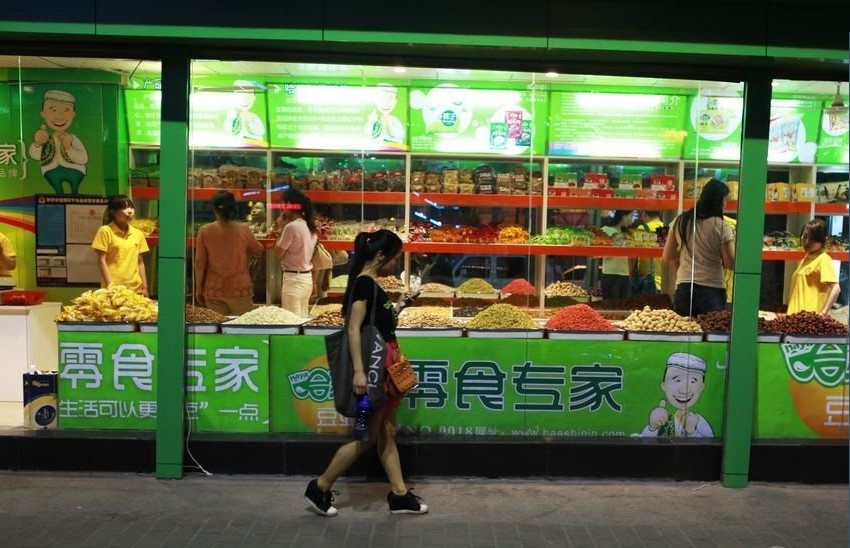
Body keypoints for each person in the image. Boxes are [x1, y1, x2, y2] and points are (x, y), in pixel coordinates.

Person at [304, 229, 428, 517]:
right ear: (381, 255)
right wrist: (360, 373)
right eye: (395, 257)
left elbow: (381, 323)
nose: (396, 263)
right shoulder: (363, 284)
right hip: (371, 376)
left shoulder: (372, 284)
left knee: (386, 431)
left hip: (384, 372)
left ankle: (399, 494)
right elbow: (353, 328)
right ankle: (320, 486)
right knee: (364, 434)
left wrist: (400, 304)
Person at [662, 179, 735, 317]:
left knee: (684, 332)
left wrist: (688, 251)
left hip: (684, 287)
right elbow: (729, 262)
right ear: (719, 201)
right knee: (710, 334)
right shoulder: (721, 225)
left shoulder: (681, 221)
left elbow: (667, 256)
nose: (725, 204)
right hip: (712, 289)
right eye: (725, 200)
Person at [194, 191, 264, 315]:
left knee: (217, 329)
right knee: (242, 330)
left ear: (215, 209)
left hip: (214, 289)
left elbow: (200, 263)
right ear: (233, 209)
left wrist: (199, 288)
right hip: (241, 289)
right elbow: (258, 250)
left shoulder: (205, 231)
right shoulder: (243, 229)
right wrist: (246, 258)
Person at [29, 90, 89, 194]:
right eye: (53, 110)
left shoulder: (72, 138)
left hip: (75, 170)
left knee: (74, 192)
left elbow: (83, 158)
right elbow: (35, 156)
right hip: (51, 170)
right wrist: (37, 144)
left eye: (66, 110)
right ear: (43, 114)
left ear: (73, 114)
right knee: (58, 193)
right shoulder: (46, 137)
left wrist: (69, 148)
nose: (59, 116)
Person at [641, 352, 713, 438]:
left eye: (693, 381)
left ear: (701, 387)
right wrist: (652, 427)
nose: (684, 391)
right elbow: (645, 442)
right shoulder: (663, 418)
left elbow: (708, 446)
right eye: (677, 380)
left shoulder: (699, 421)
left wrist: (692, 432)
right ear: (663, 385)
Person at [91, 195, 150, 296]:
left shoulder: (138, 233)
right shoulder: (105, 231)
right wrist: (110, 287)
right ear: (112, 212)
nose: (129, 211)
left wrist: (145, 287)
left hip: (135, 289)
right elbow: (101, 261)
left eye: (131, 207)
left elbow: (140, 262)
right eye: (124, 208)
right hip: (113, 290)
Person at [275, 188, 317, 317]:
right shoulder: (310, 226)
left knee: (291, 321)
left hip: (293, 279)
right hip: (306, 278)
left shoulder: (291, 227)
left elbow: (278, 253)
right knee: (303, 319)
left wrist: (280, 228)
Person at [786, 218, 840, 315]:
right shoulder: (806, 259)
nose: (807, 241)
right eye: (805, 236)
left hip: (810, 320)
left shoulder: (823, 259)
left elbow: (836, 288)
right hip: (796, 318)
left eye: (813, 239)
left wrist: (823, 313)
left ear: (823, 241)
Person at [599, 210, 632, 300]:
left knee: (624, 307)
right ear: (623, 217)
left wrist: (630, 274)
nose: (631, 220)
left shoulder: (627, 233)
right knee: (611, 306)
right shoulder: (605, 230)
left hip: (625, 275)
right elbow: (597, 253)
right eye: (630, 217)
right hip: (610, 274)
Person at [634, 210, 664, 294]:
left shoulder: (642, 229)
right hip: (664, 282)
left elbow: (634, 254)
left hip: (647, 281)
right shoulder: (665, 229)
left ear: (644, 214)